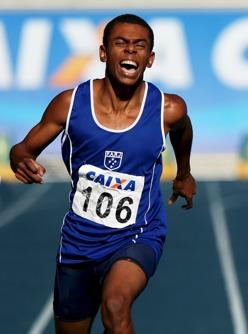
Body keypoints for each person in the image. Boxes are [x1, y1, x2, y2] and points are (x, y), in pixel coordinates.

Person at [10, 14, 196, 333]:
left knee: (116, 305)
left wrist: (184, 172)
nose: (130, 51)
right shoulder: (70, 105)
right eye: (121, 43)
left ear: (149, 59)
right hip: (79, 240)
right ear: (103, 53)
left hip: (138, 232)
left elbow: (182, 129)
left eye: (139, 46)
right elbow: (23, 149)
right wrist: (20, 160)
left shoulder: (168, 109)